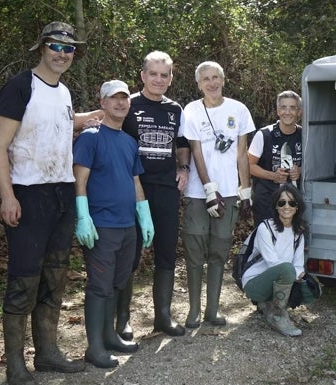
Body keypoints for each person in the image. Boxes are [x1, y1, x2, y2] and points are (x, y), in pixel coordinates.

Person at [0, 21, 104, 385]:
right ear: (42, 47)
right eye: (56, 46)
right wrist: (8, 196)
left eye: (69, 49)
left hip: (62, 192)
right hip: (28, 192)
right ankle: (15, 366)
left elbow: (57, 127)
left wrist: (86, 119)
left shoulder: (65, 93)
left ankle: (48, 353)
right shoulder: (21, 86)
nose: (62, 54)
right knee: (24, 277)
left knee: (54, 276)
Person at [73, 80, 154, 368]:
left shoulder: (129, 142)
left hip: (126, 226)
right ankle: (94, 348)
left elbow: (135, 181)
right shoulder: (90, 137)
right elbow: (79, 180)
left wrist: (144, 216)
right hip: (101, 226)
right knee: (99, 287)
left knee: (119, 283)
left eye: (124, 99)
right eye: (114, 99)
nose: (120, 103)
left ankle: (109, 336)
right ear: (103, 102)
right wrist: (82, 217)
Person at [118, 51, 190, 340]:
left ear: (171, 79)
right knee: (129, 255)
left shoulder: (175, 110)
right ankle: (122, 321)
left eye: (165, 75)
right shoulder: (128, 105)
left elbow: (183, 142)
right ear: (143, 76)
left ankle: (162, 316)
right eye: (154, 74)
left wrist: (184, 168)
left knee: (166, 253)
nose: (159, 79)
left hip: (166, 190)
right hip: (132, 189)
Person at [181, 61, 255, 328]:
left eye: (216, 78)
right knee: (195, 249)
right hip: (199, 194)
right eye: (206, 79)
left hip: (229, 193)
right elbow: (196, 152)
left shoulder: (239, 110)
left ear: (223, 80)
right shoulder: (191, 110)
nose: (211, 83)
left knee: (219, 250)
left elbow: (241, 154)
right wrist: (209, 188)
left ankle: (212, 310)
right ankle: (193, 311)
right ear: (199, 84)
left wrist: (245, 191)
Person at [241, 184, 317, 336]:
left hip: (281, 276)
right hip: (254, 281)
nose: (286, 206)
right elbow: (273, 262)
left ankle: (268, 304)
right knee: (286, 270)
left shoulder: (298, 233)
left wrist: (300, 276)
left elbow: (298, 265)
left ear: (297, 207)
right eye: (281, 202)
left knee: (312, 289)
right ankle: (278, 315)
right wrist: (293, 275)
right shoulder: (266, 228)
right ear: (276, 206)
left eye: (291, 203)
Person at [248, 91, 303, 226]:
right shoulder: (264, 134)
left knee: (291, 240)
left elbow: (315, 164)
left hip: (294, 200)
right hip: (266, 199)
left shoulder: (305, 135)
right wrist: (273, 176)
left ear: (299, 112)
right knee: (266, 240)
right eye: (283, 107)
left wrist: (300, 170)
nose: (287, 112)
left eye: (292, 108)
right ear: (278, 111)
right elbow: (249, 166)